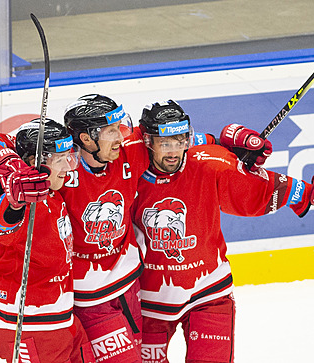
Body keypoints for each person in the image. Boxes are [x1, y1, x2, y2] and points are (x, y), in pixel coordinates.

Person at [131, 100, 314, 363]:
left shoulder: (208, 164)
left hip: (209, 293)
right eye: (165, 143)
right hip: (148, 302)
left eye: (180, 141)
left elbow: (255, 192)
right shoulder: (128, 172)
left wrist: (312, 193)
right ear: (148, 141)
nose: (174, 152)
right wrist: (219, 139)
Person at [60, 95, 271, 363]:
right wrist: (6, 165)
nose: (121, 136)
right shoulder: (60, 169)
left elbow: (172, 139)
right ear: (86, 138)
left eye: (120, 128)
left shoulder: (130, 147)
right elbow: (1, 148)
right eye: (111, 130)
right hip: (92, 300)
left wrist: (226, 142)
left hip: (130, 291)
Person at [0, 120, 94, 363]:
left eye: (68, 157)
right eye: (60, 159)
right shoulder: (13, 195)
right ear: (35, 162)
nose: (68, 168)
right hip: (28, 321)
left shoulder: (48, 188)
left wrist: (11, 164)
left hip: (59, 314)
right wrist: (15, 199)